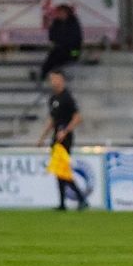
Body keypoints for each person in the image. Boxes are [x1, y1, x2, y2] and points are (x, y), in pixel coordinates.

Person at [36, 70, 88, 211]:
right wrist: (43, 137)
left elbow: (77, 117)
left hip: (65, 139)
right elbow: (52, 120)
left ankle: (80, 198)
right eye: (51, 79)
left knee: (62, 170)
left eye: (55, 79)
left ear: (62, 80)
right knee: (59, 171)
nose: (53, 82)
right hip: (56, 138)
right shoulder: (53, 99)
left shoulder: (67, 97)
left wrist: (65, 131)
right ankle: (64, 203)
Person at [39, 4, 82, 81]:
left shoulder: (73, 23)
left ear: (66, 13)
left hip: (74, 50)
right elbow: (52, 37)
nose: (58, 14)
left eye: (60, 12)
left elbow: (75, 39)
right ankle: (44, 75)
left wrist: (62, 43)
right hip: (60, 49)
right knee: (52, 57)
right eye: (57, 12)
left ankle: (49, 74)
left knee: (59, 56)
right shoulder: (56, 23)